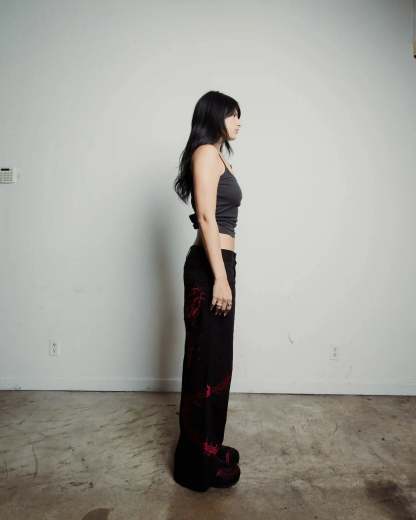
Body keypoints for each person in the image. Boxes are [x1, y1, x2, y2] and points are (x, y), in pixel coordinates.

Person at [172, 90, 243, 492]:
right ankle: (196, 466)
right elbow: (204, 216)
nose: (238, 122)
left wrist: (224, 272)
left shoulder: (217, 156)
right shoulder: (204, 153)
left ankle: (208, 449)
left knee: (216, 364)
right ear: (215, 116)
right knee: (205, 366)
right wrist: (220, 278)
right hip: (209, 269)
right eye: (233, 115)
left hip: (220, 265)